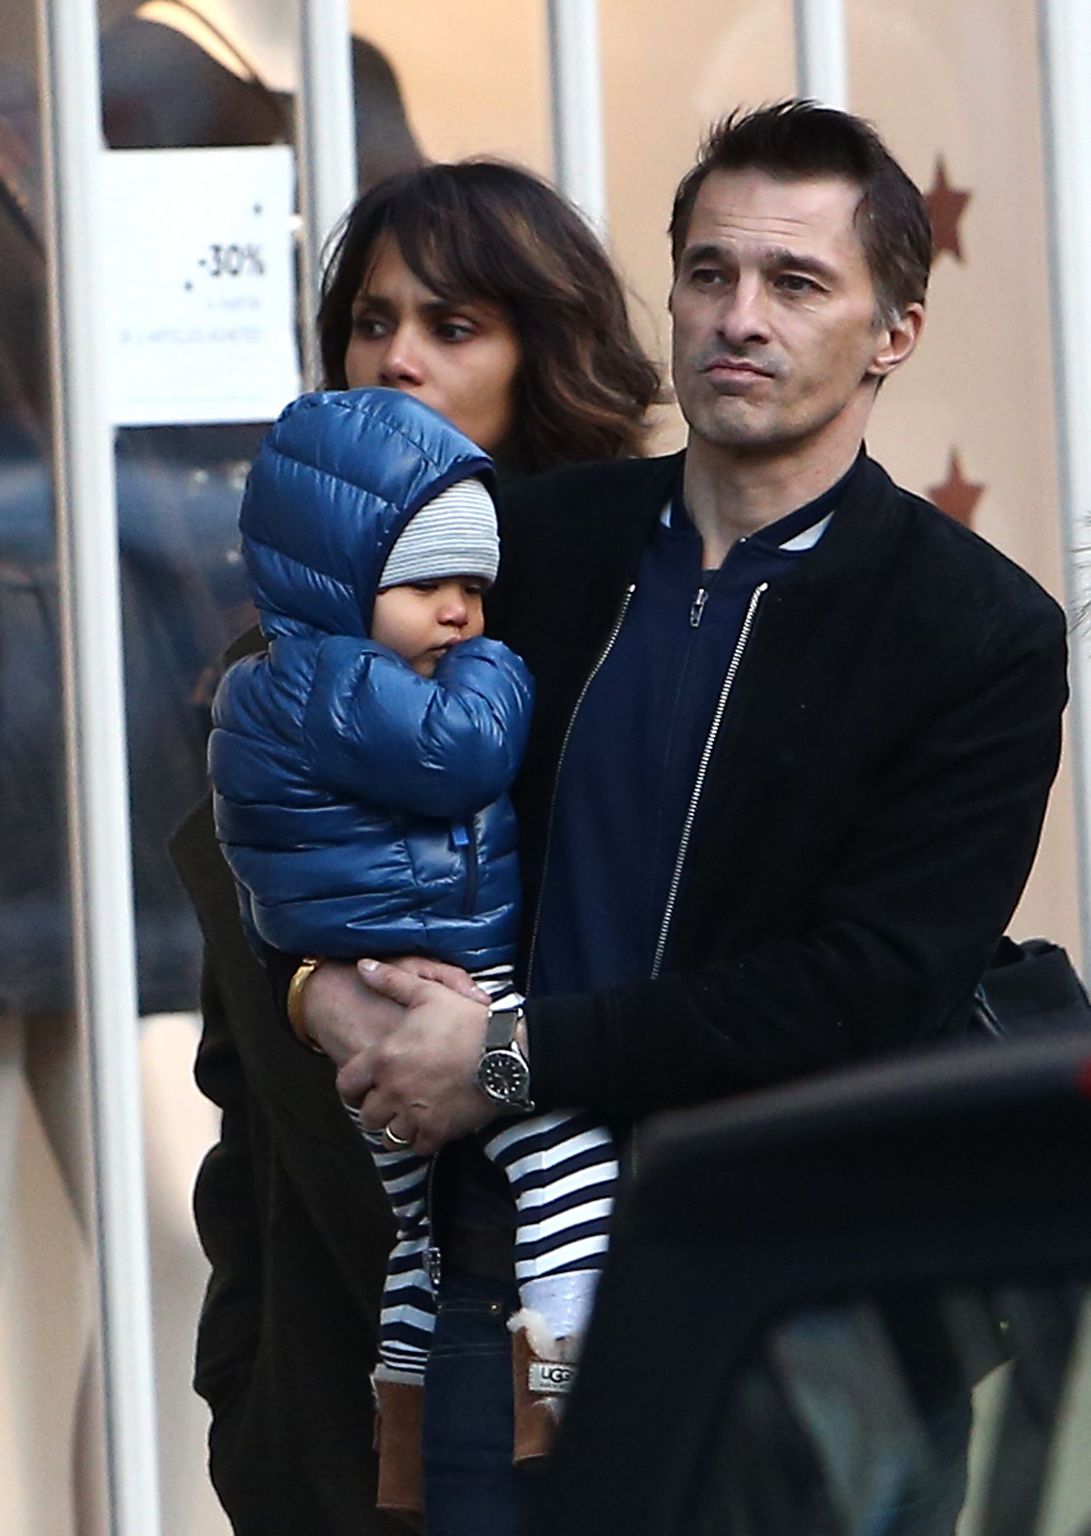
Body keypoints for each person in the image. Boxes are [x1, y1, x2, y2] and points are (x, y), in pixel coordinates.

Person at [298, 102, 1068, 1535]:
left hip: (796, 1300)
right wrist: (320, 991)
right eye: (708, 274)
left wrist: (513, 1059)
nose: (738, 317)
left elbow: (869, 984)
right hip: (497, 1283)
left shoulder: (973, 632)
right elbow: (349, 814)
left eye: (793, 283)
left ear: (889, 332)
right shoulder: (532, 549)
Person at [170, 159, 659, 1536]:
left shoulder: (628, 626)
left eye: (453, 326)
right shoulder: (279, 668)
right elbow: (241, 1088)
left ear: (542, 353)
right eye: (370, 320)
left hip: (619, 1339)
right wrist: (247, 1389)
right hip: (348, 1376)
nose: (396, 357)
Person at [208, 386, 616, 1516]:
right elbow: (464, 754)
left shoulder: (277, 680)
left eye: (475, 591)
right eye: (429, 585)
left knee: (419, 1234)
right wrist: (504, 668)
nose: (460, 617)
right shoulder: (333, 680)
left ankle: (403, 1424)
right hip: (444, 988)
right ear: (342, 580)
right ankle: (567, 1403)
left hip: (367, 1006)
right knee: (565, 1159)